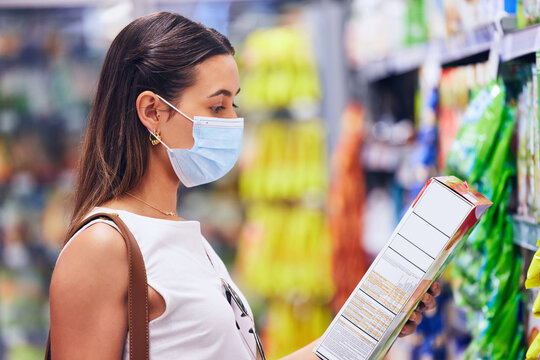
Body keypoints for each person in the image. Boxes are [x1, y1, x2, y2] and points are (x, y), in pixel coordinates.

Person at [49, 11, 440, 360]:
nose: (233, 121)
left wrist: (371, 326)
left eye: (234, 104)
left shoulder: (185, 237)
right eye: (217, 106)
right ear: (152, 111)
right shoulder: (102, 247)